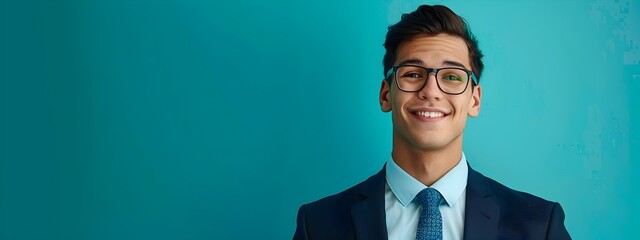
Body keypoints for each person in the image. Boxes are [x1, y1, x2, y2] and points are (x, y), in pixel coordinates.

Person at [292, 4, 571, 240]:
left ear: (474, 100)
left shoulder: (539, 225)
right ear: (385, 94)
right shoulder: (317, 225)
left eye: (451, 76)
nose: (431, 90)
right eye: (413, 74)